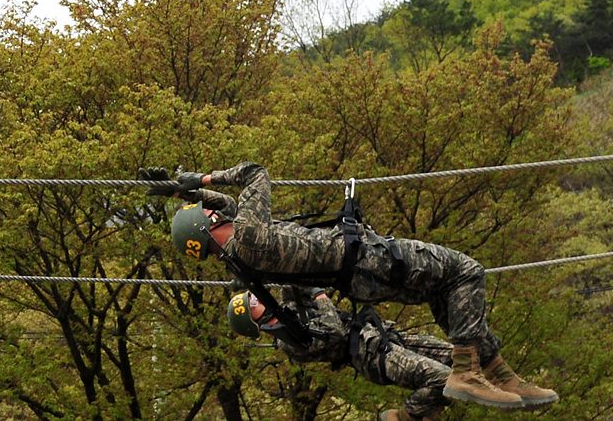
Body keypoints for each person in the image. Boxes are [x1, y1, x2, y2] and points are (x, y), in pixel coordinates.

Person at [139, 162, 558, 411]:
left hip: (361, 279)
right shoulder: (248, 236)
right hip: (368, 259)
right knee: (466, 271)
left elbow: (228, 208)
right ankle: (470, 372)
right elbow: (254, 173)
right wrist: (203, 178)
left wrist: (183, 189)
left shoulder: (239, 262)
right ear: (210, 224)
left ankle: (498, 371)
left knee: (444, 290)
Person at [227, 287, 453, 421]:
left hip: (382, 336)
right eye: (252, 303)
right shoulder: (289, 342)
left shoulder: (287, 311)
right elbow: (334, 330)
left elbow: (291, 284)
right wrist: (320, 297)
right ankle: (407, 416)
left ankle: (427, 409)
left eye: (252, 296)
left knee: (460, 357)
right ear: (254, 321)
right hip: (370, 355)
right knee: (444, 378)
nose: (256, 298)